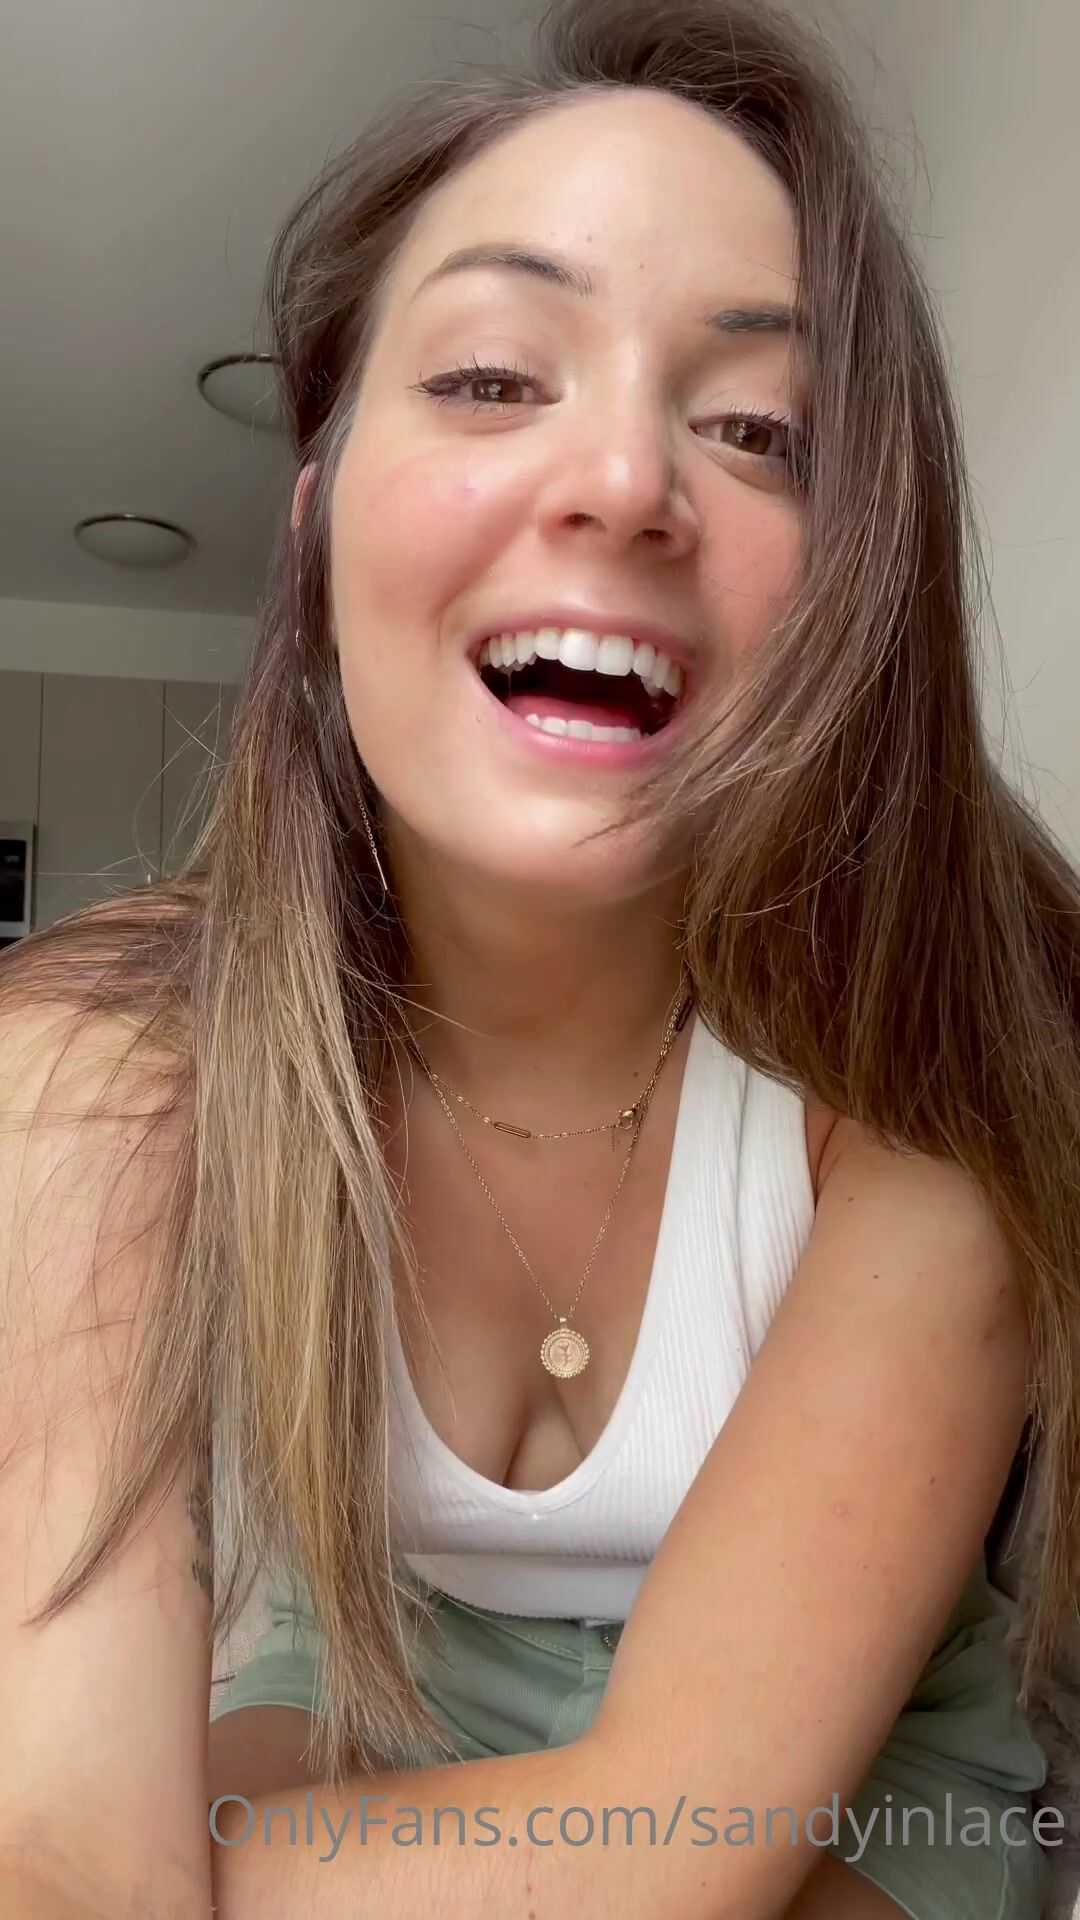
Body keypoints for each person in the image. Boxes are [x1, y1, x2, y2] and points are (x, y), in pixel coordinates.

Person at [2, 0, 1078, 1915]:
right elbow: (71, 1853)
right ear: (315, 528)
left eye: (757, 432)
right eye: (495, 378)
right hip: (372, 1673)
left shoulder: (924, 1083)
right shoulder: (100, 1060)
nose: (626, 482)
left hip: (862, 1757)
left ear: (853, 598)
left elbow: (681, 1845)